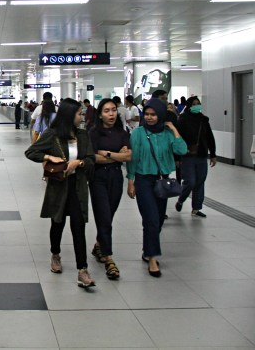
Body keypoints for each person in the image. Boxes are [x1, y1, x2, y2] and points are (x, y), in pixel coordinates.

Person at [25, 98, 96, 288]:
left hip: (78, 186)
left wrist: (78, 163)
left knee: (78, 226)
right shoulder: (53, 134)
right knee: (57, 222)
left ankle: (82, 270)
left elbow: (90, 159)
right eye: (79, 114)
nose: (82, 117)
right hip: (58, 186)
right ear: (68, 114)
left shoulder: (83, 135)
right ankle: (55, 254)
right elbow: (31, 152)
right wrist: (49, 156)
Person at [126, 98, 187, 277]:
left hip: (162, 181)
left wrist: (174, 129)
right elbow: (133, 158)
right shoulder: (138, 134)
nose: (150, 118)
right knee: (151, 219)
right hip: (143, 180)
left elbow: (182, 150)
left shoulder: (167, 134)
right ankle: (152, 258)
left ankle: (147, 249)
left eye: (154, 115)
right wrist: (131, 181)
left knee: (158, 219)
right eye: (147, 114)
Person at [88, 99, 132, 280]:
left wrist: (106, 153)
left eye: (113, 110)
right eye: (107, 111)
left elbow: (128, 156)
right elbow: (92, 157)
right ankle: (109, 258)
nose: (111, 114)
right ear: (100, 114)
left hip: (115, 177)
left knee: (109, 214)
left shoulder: (122, 132)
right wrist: (117, 156)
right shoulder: (93, 133)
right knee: (104, 216)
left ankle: (99, 244)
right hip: (98, 178)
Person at [175, 96, 217, 218]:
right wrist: (177, 158)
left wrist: (213, 154)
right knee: (190, 181)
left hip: (202, 154)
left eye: (198, 103)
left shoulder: (203, 120)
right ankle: (181, 199)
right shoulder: (182, 120)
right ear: (189, 106)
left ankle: (196, 208)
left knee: (200, 181)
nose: (196, 106)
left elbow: (209, 137)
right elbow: (177, 139)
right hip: (187, 155)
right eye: (194, 104)